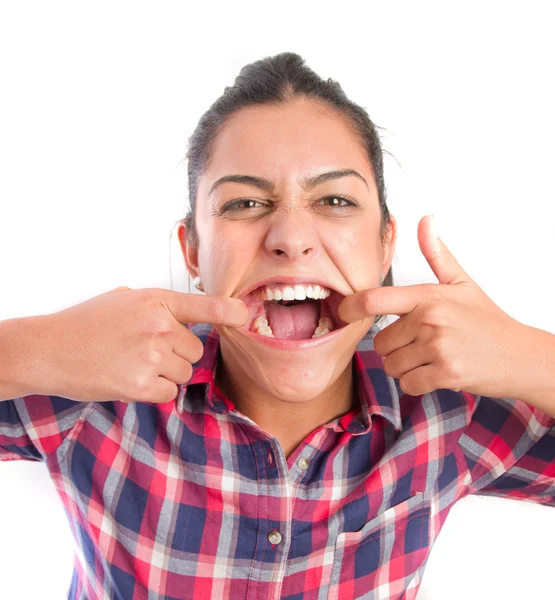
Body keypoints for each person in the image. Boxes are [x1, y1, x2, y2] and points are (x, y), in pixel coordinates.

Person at [1, 52, 554, 600]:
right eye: (244, 203)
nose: (290, 237)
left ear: (386, 241)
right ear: (192, 250)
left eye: (335, 199)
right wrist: (35, 350)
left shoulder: (444, 409)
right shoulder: (98, 390)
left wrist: (530, 359)